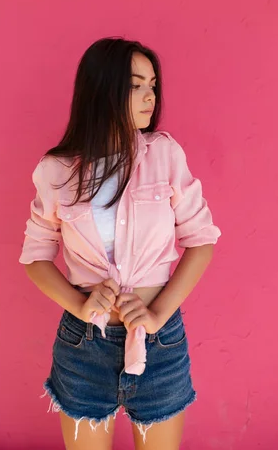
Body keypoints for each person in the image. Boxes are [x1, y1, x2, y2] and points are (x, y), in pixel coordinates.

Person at [19, 37, 221, 450]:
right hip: (83, 347)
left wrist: (157, 314)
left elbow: (201, 241)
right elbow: (35, 257)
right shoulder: (56, 170)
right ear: (102, 88)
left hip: (160, 344)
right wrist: (80, 305)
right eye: (136, 84)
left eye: (153, 85)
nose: (150, 95)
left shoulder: (165, 155)